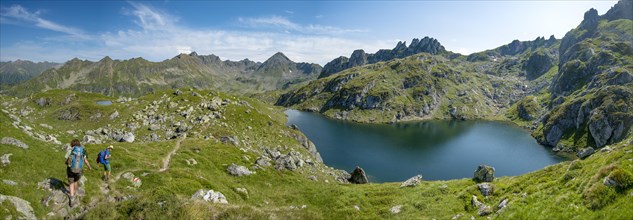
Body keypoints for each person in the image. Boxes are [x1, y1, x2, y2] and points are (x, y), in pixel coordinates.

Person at [65, 139, 92, 207]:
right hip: (79, 170)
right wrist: (89, 167)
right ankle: (75, 191)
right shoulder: (83, 151)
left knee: (71, 182)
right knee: (76, 180)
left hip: (71, 169)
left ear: (72, 144)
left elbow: (66, 160)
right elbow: (85, 161)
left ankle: (72, 197)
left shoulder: (71, 150)